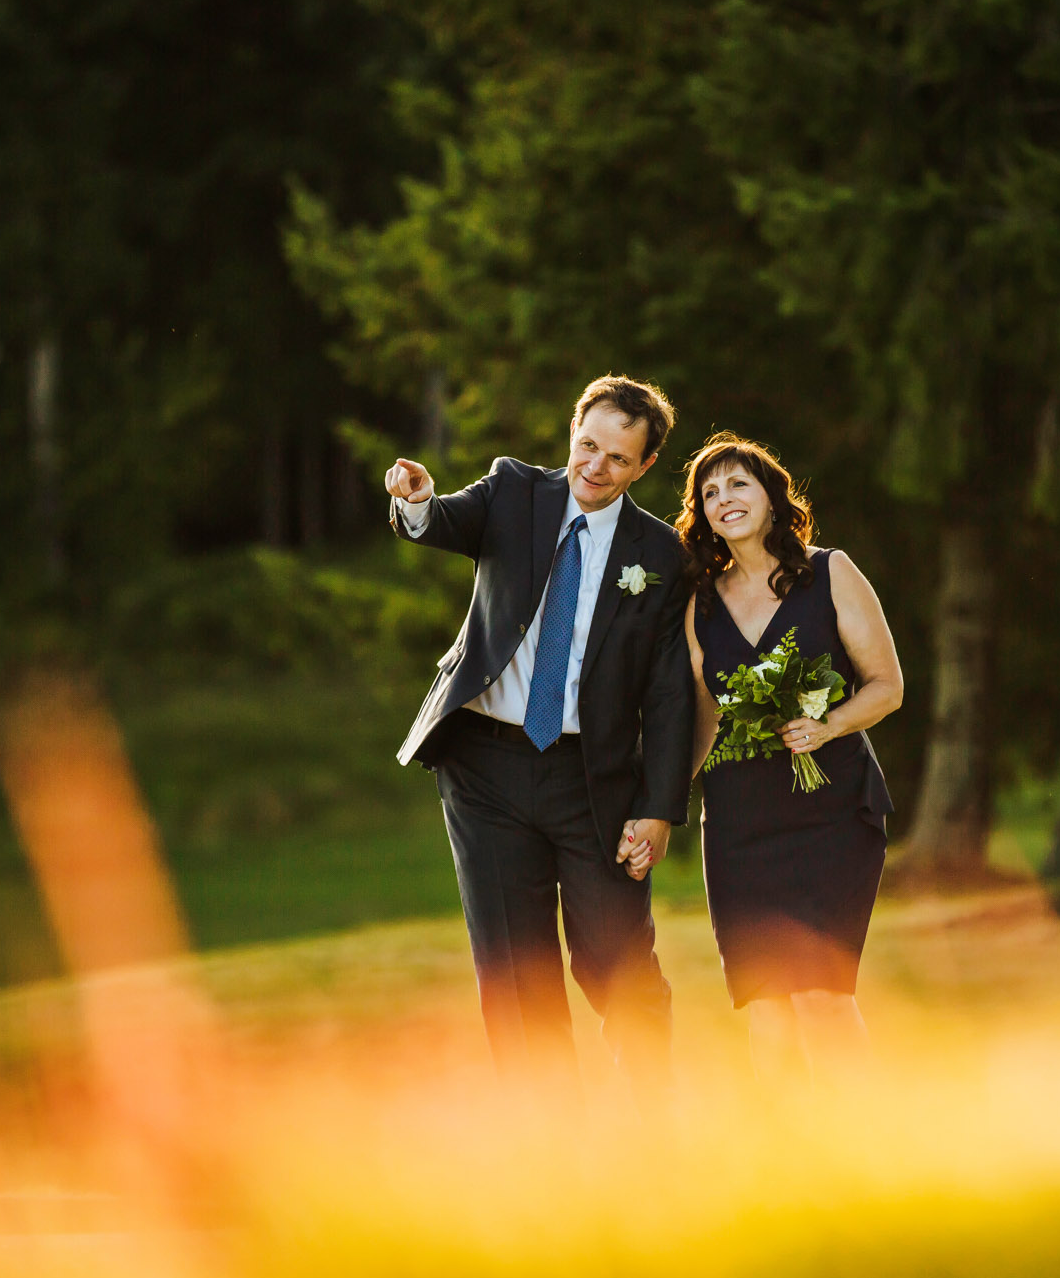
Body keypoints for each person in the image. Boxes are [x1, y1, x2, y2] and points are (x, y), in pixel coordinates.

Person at [384, 376, 694, 1111]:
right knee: (514, 967)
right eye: (589, 446)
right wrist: (418, 498)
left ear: (644, 467)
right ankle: (551, 1142)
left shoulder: (661, 554)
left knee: (616, 956)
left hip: (593, 777)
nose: (596, 467)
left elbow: (670, 691)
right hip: (483, 769)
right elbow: (438, 524)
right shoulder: (512, 492)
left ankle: (653, 1117)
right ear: (573, 431)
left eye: (619, 459)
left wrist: (658, 807)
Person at [678, 434, 903, 1085]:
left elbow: (887, 686)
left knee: (820, 991)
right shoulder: (700, 603)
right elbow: (703, 718)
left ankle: (866, 1148)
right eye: (710, 493)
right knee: (768, 1003)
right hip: (739, 824)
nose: (724, 499)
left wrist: (827, 726)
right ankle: (787, 1165)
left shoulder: (831, 572)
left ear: (774, 498)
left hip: (832, 811)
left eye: (738, 484)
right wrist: (654, 807)